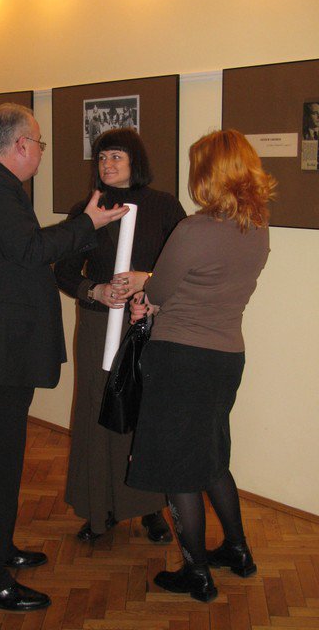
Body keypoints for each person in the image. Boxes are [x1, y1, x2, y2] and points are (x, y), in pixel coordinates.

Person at [0, 103, 128, 612]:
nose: (42, 151)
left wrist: (82, 224)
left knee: (2, 462)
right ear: (21, 145)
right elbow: (29, 250)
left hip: (0, 352)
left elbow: (18, 251)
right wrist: (87, 223)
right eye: (40, 142)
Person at [127, 129, 276, 602]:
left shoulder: (194, 230)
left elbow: (159, 291)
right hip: (226, 357)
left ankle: (197, 574)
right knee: (212, 459)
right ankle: (237, 551)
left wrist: (146, 286)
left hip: (181, 358)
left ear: (209, 174)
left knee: (178, 468)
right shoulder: (258, 228)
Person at [54, 128, 186, 543]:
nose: (107, 164)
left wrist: (147, 281)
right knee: (99, 413)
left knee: (144, 415)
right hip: (99, 326)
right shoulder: (89, 209)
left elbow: (184, 266)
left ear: (135, 161)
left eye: (116, 156)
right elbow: (64, 271)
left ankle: (151, 509)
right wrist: (95, 291)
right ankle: (101, 507)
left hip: (149, 324)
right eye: (102, 157)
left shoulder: (164, 207)